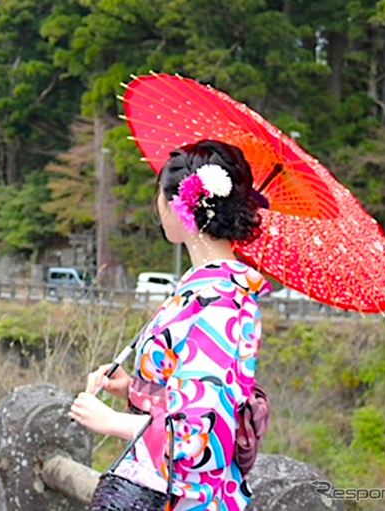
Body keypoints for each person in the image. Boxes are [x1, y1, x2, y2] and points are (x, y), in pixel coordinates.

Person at [68, 140, 271, 510]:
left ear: (181, 205)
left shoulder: (219, 303)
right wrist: (131, 389)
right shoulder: (208, 289)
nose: (158, 207)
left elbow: (202, 434)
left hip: (188, 497)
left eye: (160, 196)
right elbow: (188, 391)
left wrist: (113, 422)